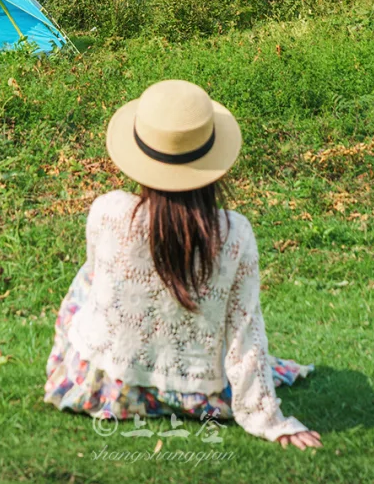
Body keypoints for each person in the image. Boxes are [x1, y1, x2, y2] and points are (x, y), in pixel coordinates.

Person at [45, 79, 321, 448]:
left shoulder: (107, 211)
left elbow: (98, 288)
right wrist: (269, 418)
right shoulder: (234, 233)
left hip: (104, 388)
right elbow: (244, 330)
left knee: (87, 279)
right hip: (201, 396)